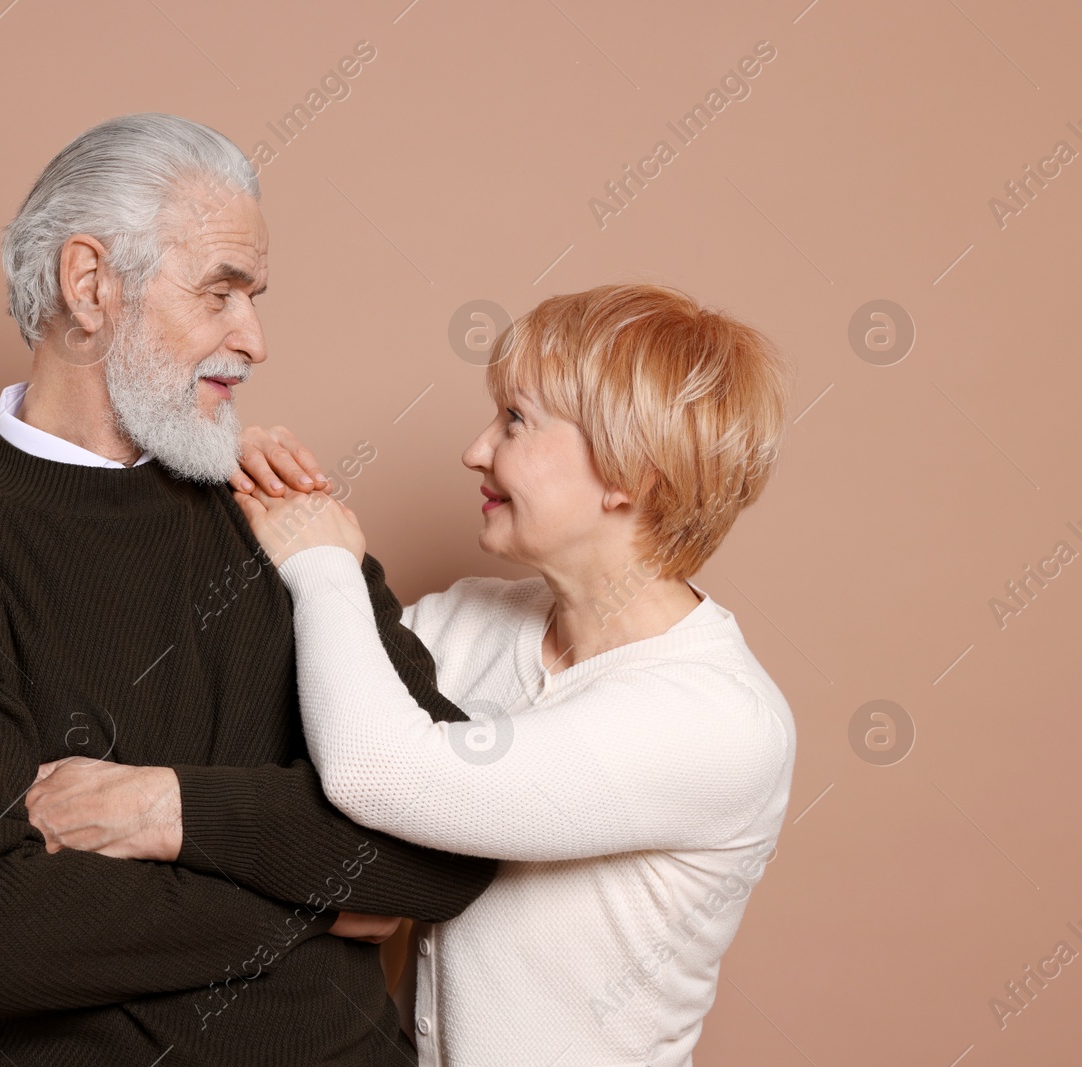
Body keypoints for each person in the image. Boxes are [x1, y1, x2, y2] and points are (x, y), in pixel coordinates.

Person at [0, 113, 495, 1067]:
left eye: (254, 297)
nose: (253, 338)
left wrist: (172, 813)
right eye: (220, 292)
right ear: (90, 285)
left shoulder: (291, 528)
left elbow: (450, 838)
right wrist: (321, 890)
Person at [54, 283, 798, 1066]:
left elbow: (378, 770)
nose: (476, 450)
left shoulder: (717, 720)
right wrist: (228, 488)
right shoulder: (473, 618)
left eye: (516, 420)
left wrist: (319, 557)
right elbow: (288, 723)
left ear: (629, 471)